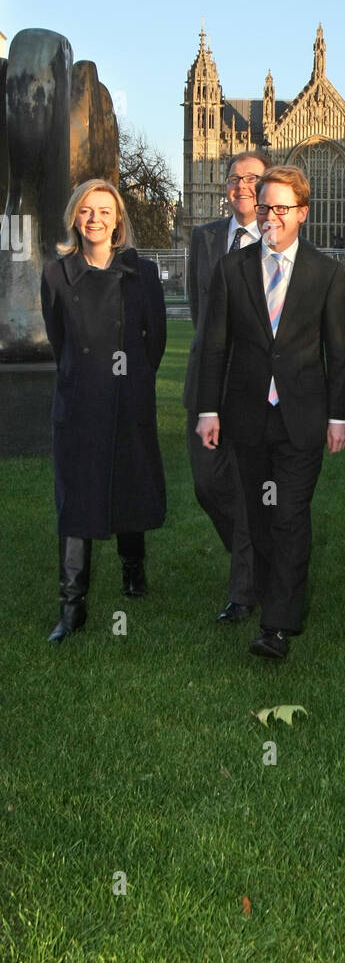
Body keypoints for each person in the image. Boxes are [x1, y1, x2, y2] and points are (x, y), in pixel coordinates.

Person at [195, 165, 345, 660]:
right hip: (247, 416)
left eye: (282, 209)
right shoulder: (233, 268)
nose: (271, 217)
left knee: (288, 515)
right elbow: (214, 348)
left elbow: (339, 352)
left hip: (301, 417)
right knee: (260, 518)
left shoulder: (326, 273)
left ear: (302, 213)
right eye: (265, 207)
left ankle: (278, 626)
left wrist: (339, 417)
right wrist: (207, 410)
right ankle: (269, 595)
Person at [40, 179, 167, 642]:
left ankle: (134, 571)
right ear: (75, 218)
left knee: (129, 486)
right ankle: (71, 608)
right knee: (75, 499)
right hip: (78, 403)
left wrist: (132, 383)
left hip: (129, 397)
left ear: (118, 222)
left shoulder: (143, 273)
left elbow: (155, 341)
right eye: (86, 211)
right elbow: (61, 342)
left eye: (105, 211)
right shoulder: (56, 274)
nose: (95, 218)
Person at [184, 151, 267, 623]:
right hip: (207, 385)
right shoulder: (204, 237)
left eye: (253, 178)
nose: (242, 186)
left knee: (249, 485)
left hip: (255, 387)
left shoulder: (277, 240)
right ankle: (256, 554)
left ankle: (243, 590)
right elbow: (200, 310)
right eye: (235, 178)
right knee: (207, 484)